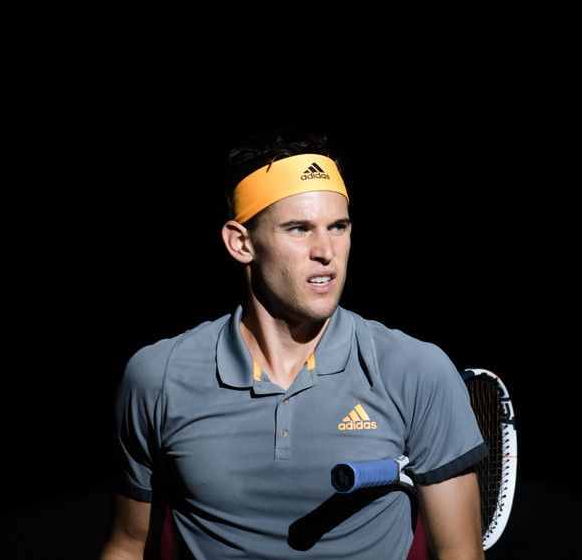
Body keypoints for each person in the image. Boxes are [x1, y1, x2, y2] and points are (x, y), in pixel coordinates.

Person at [100, 133, 488, 559]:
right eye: (299, 229)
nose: (326, 251)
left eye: (338, 227)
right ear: (241, 243)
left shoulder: (418, 370)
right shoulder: (158, 376)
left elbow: (461, 554)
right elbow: (128, 546)